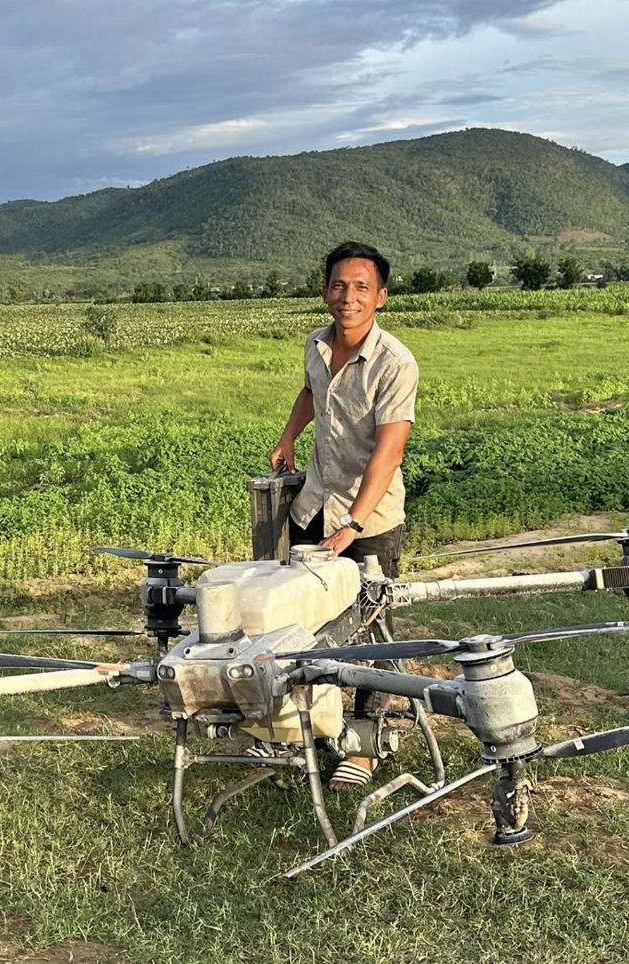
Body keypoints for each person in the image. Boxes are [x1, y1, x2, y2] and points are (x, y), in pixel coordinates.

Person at [269, 240, 417, 791]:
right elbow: (312, 391)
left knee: (373, 624)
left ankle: (364, 740)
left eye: (361, 287)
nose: (347, 297)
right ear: (325, 290)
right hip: (313, 501)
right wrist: (287, 436)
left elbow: (389, 451)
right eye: (338, 285)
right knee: (308, 616)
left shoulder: (394, 362)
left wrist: (352, 524)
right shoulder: (315, 343)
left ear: (380, 296)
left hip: (368, 519)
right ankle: (308, 727)